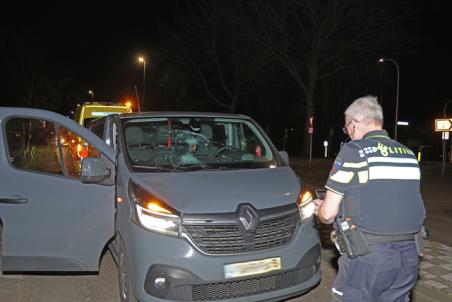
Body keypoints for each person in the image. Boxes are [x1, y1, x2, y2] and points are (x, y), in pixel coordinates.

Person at [314, 95, 426, 301]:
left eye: (347, 128)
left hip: (369, 258)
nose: (348, 133)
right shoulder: (408, 154)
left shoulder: (353, 152)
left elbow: (328, 214)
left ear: (355, 124)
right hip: (409, 256)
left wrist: (319, 210)